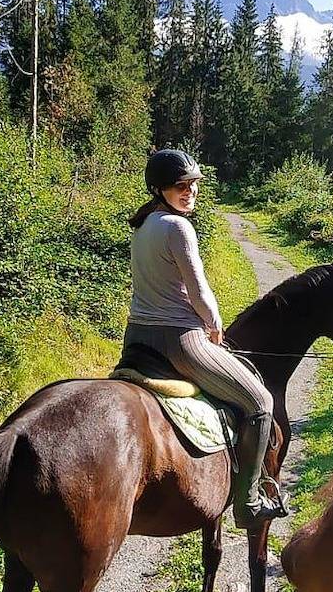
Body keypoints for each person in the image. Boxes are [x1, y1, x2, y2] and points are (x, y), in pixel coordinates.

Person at [122, 148, 287, 526]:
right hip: (180, 341)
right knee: (261, 402)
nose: (189, 191)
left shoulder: (143, 226)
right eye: (181, 186)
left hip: (137, 339)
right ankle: (248, 504)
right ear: (159, 188)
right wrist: (214, 324)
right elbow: (197, 290)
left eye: (193, 185)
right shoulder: (178, 227)